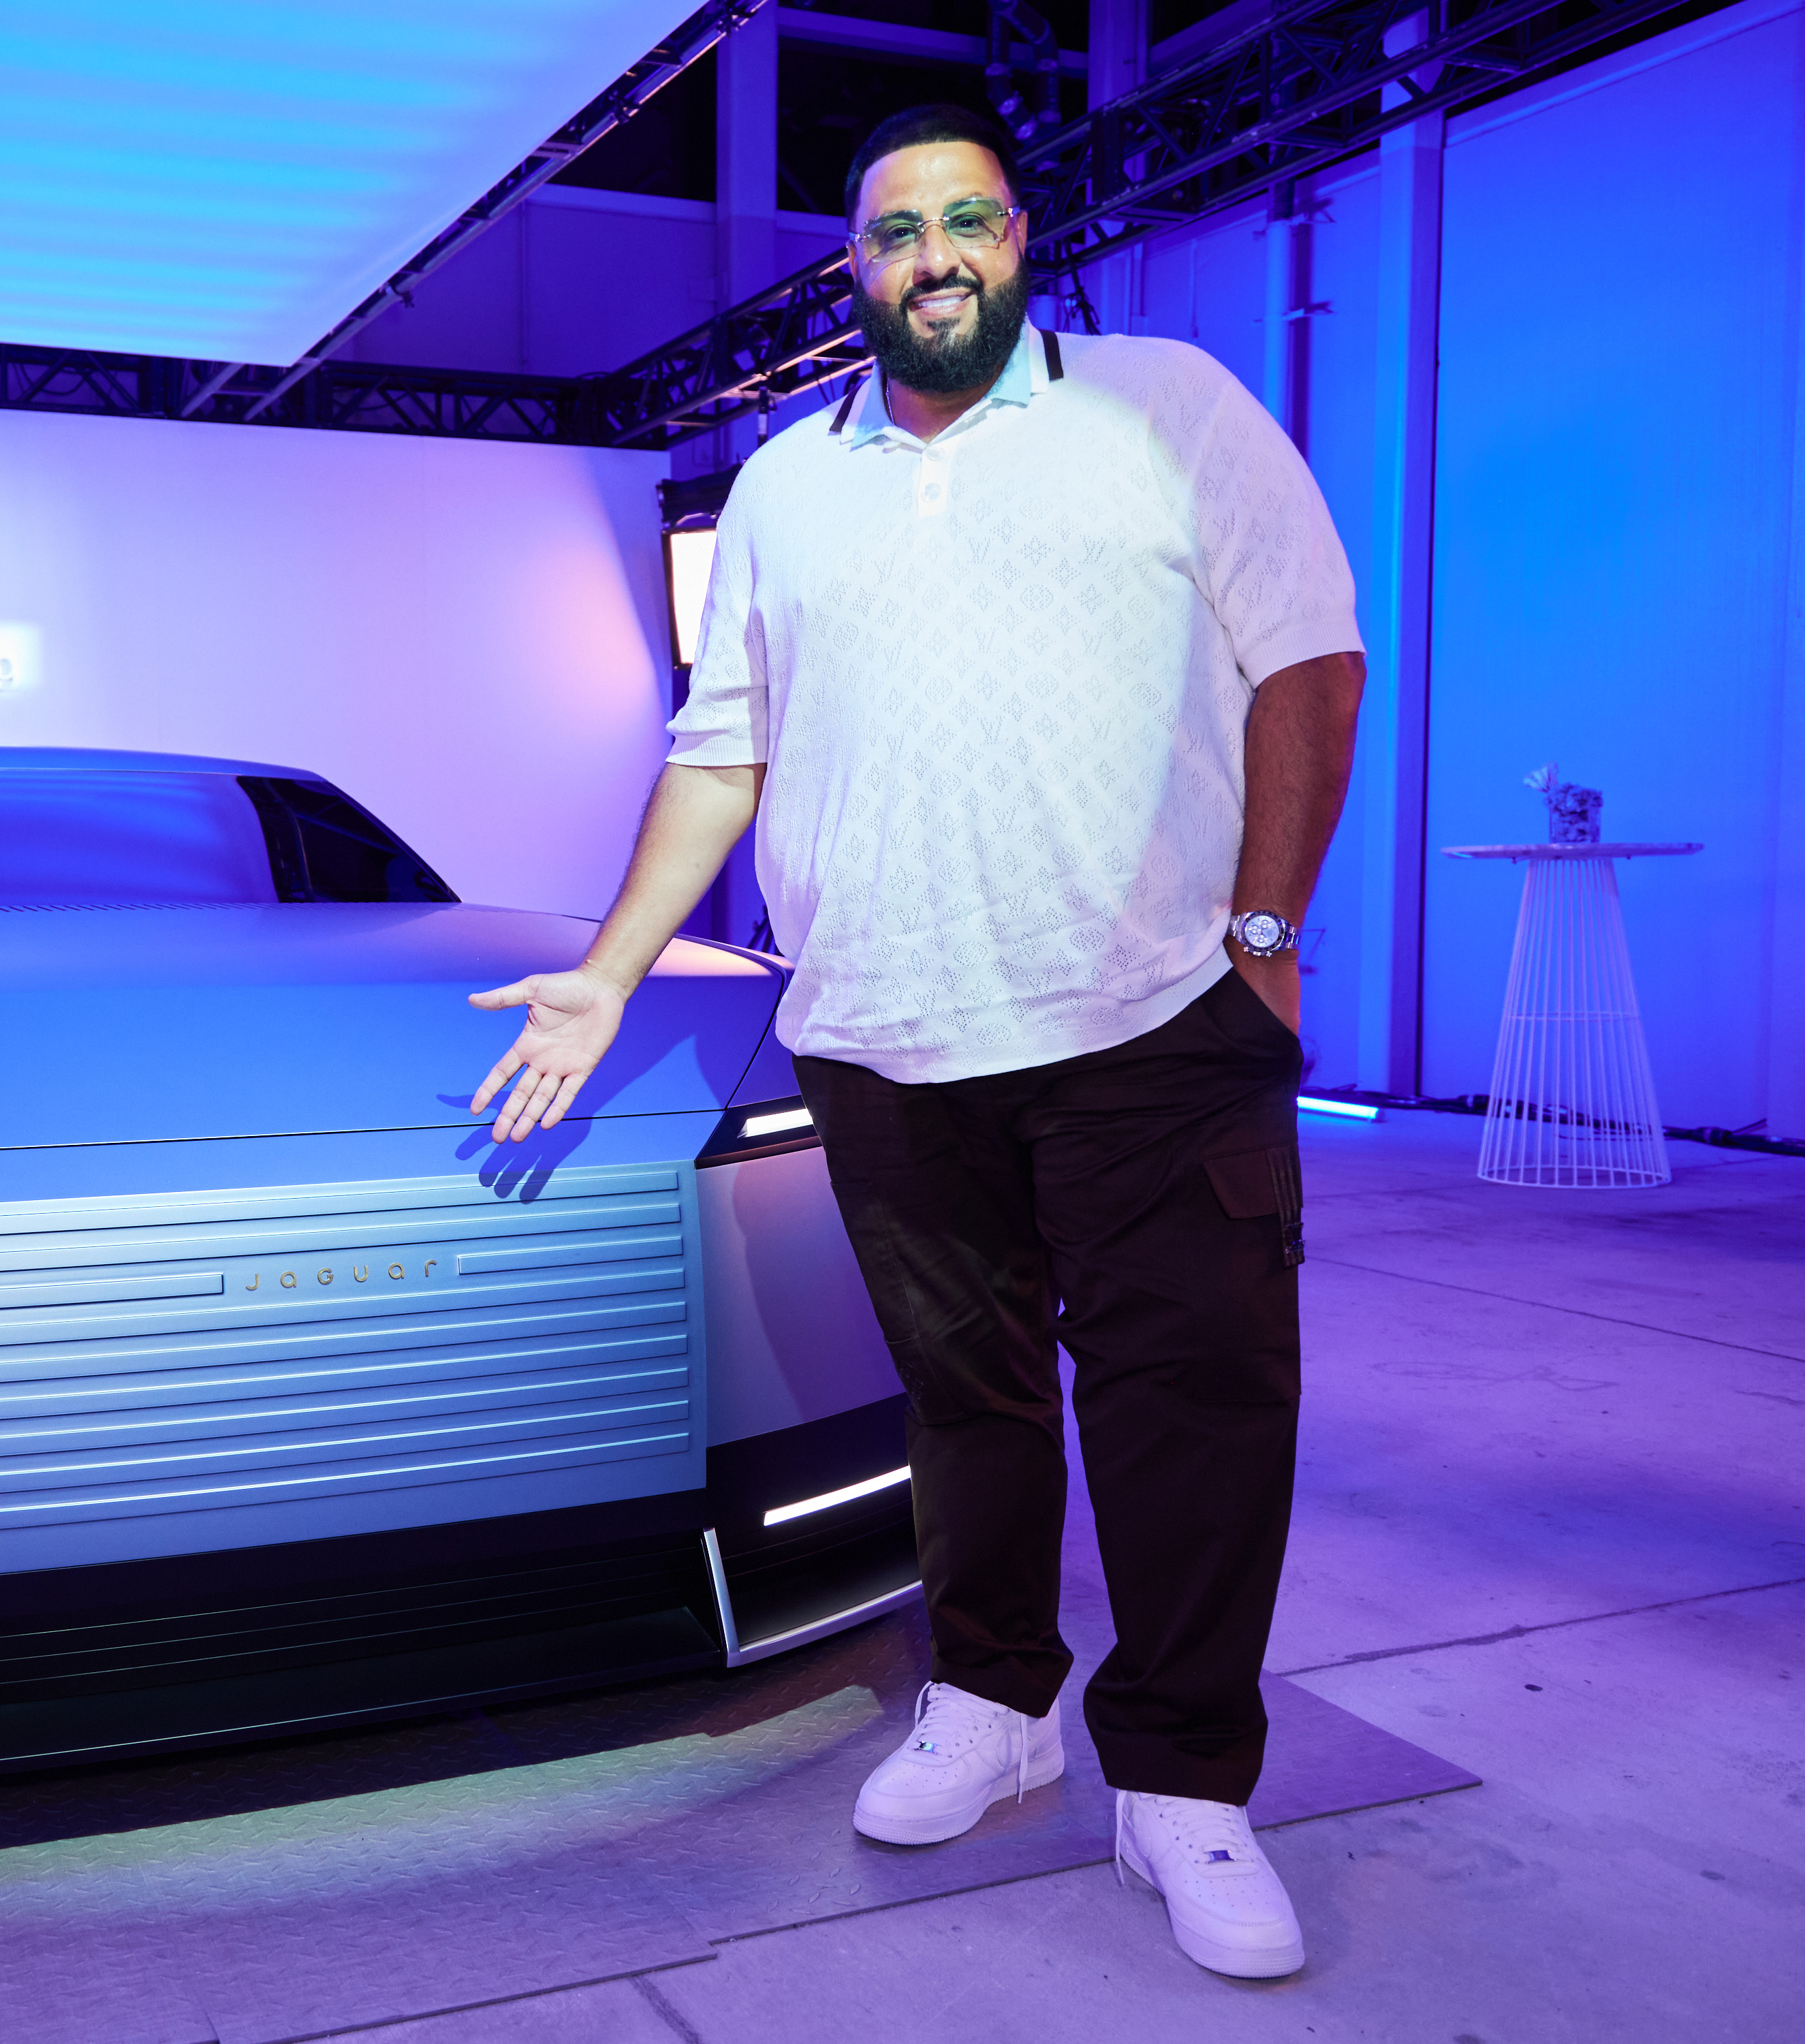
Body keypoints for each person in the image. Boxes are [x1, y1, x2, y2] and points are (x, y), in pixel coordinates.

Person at [465, 101, 1364, 1981]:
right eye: (893, 230)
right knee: (961, 1408)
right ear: (852, 270)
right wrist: (612, 969)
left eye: (966, 219)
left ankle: (1185, 1783)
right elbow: (722, 753)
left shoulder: (1165, 400)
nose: (931, 253)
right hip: (881, 1027)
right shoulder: (791, 484)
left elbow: (1307, 655)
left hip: (1148, 1018)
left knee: (1190, 1410)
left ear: (1018, 241)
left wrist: (1263, 937)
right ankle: (993, 1702)